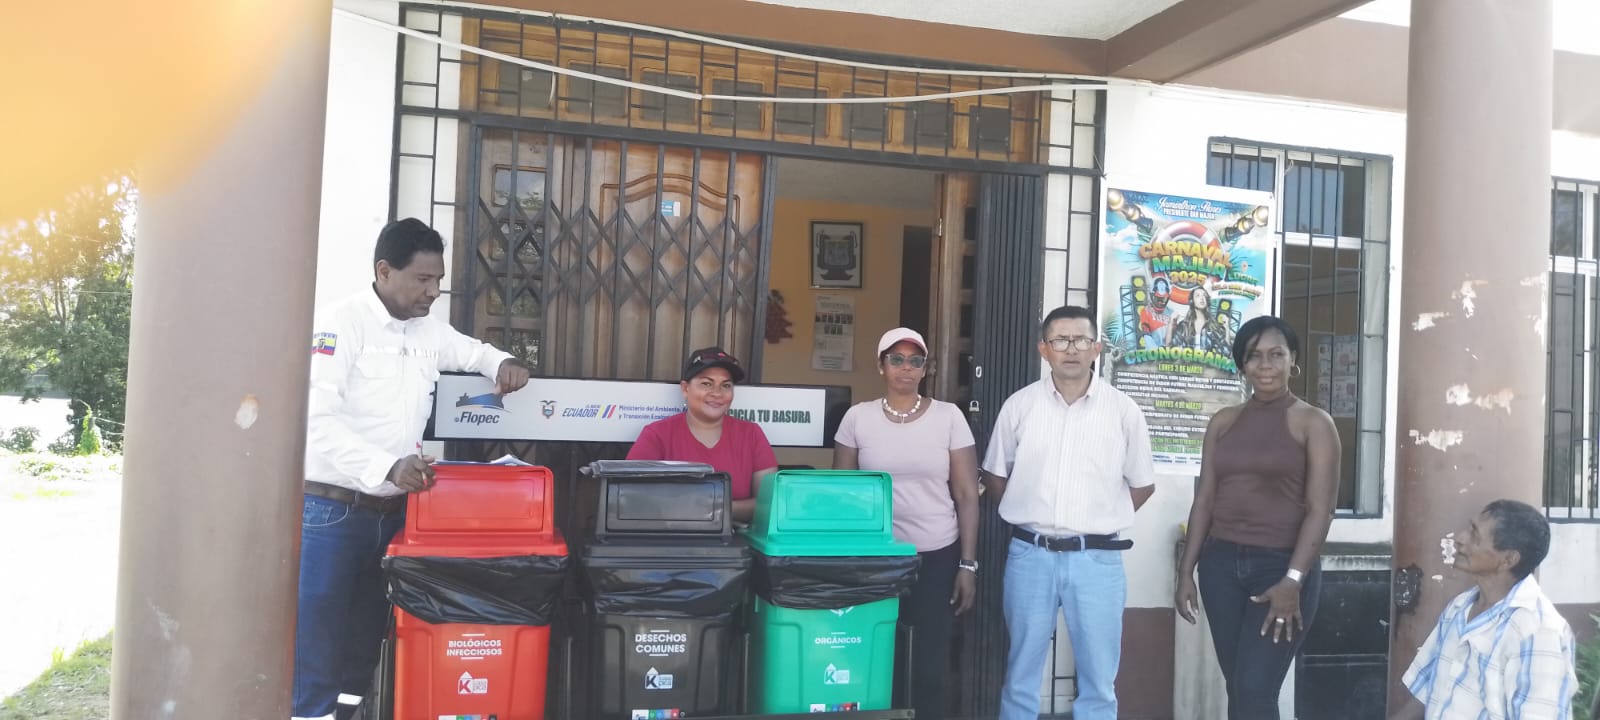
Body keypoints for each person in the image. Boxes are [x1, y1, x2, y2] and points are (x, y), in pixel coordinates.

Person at [295, 218, 531, 720]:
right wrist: (388, 465)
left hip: (393, 517)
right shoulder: (340, 324)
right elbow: (316, 423)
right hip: (331, 513)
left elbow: (473, 352)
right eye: (423, 279)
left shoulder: (428, 331)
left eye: (438, 280)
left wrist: (503, 362)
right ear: (385, 271)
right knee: (315, 640)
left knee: (364, 640)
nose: (433, 292)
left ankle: (347, 713)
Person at [981, 305, 1157, 720]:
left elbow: (1143, 484)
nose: (1071, 349)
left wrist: (1100, 519)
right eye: (1060, 340)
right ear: (1043, 349)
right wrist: (1030, 512)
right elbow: (995, 476)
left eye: (1081, 339)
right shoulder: (1020, 406)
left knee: (1099, 680)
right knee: (1021, 673)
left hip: (1098, 560)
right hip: (1030, 556)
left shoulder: (1123, 411)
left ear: (1097, 348)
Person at [1174, 315, 1340, 719]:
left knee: (1255, 691)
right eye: (1254, 356)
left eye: (1276, 354)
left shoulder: (1314, 423)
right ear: (1242, 365)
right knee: (1239, 686)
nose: (1265, 365)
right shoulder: (1223, 422)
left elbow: (1322, 510)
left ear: (1293, 359)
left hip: (1280, 567)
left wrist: (1293, 580)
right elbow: (1205, 500)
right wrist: (1186, 572)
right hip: (1220, 566)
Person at [832, 327, 980, 720]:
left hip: (935, 555)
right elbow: (843, 494)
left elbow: (967, 494)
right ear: (881, 365)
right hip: (874, 560)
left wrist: (967, 564)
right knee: (875, 656)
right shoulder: (857, 418)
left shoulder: (949, 417)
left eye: (915, 361)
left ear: (925, 369)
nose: (906, 367)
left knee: (929, 665)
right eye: (896, 359)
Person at [1392, 500, 1578, 720]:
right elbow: (1426, 691)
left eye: (1474, 535)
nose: (1460, 539)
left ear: (1508, 560)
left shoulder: (1538, 632)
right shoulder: (1460, 607)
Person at [627, 346, 777, 523]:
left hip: (736, 538)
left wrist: (711, 508)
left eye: (726, 385)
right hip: (669, 536)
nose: (717, 393)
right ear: (685, 389)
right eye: (706, 384)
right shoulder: (657, 434)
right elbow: (629, 497)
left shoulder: (751, 434)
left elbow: (769, 504)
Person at [1170, 285, 1232, 353]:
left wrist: (1227, 328)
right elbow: (1171, 349)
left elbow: (1226, 351)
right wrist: (1171, 324)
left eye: (1204, 295)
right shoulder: (1184, 325)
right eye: (1198, 296)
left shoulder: (1213, 326)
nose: (1202, 298)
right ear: (1192, 301)